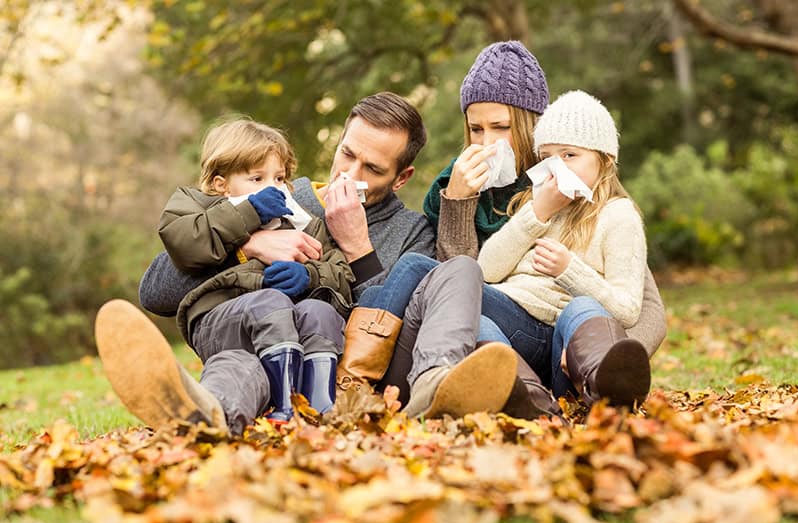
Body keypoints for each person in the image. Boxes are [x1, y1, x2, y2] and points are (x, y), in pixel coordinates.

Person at [354, 41, 666, 414]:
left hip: (564, 344)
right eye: (475, 129)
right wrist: (458, 204)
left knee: (568, 308)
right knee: (439, 287)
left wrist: (593, 349)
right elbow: (459, 283)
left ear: (532, 126)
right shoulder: (452, 189)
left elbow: (644, 307)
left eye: (501, 127)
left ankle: (600, 386)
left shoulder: (570, 183)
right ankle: (518, 399)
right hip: (493, 335)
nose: (487, 143)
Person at [97, 119, 355, 434]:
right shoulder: (196, 206)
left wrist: (309, 275)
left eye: (279, 178)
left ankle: (309, 413)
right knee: (256, 322)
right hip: (221, 322)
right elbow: (184, 241)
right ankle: (198, 410)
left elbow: (340, 273)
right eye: (257, 178)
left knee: (310, 318)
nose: (272, 188)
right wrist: (250, 214)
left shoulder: (302, 222)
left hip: (280, 337)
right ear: (221, 184)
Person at [478, 89, 651, 407]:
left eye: (569, 155)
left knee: (581, 308)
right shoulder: (537, 203)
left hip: (564, 345)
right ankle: (526, 397)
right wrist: (538, 212)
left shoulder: (618, 216)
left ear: (605, 159)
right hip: (517, 329)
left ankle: (607, 389)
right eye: (547, 158)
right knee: (464, 295)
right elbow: (486, 270)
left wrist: (568, 270)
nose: (557, 167)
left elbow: (627, 310)